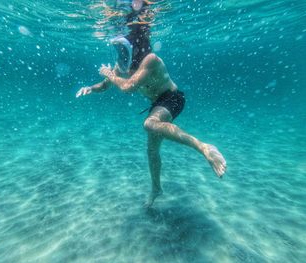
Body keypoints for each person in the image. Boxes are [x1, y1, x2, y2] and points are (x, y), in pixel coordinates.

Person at [76, 6, 227, 209]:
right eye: (118, 49)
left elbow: (128, 87)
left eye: (123, 48)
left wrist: (111, 75)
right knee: (152, 150)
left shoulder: (150, 60)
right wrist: (90, 88)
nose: (120, 53)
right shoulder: (121, 65)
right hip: (157, 103)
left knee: (150, 123)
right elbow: (104, 85)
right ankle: (156, 188)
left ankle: (204, 148)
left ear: (135, 45)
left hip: (173, 98)